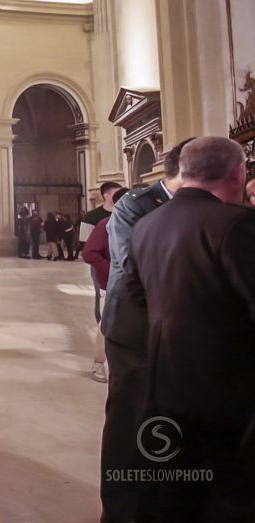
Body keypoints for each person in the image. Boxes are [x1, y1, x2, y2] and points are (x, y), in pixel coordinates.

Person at [121, 137, 255, 521]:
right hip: (227, 392)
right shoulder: (236, 225)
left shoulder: (146, 225)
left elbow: (136, 292)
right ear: (237, 172)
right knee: (224, 496)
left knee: (173, 491)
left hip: (164, 381)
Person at [100, 138, 190, 523]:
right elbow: (131, 267)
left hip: (181, 335)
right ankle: (120, 511)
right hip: (135, 330)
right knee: (130, 419)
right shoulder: (135, 205)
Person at [80, 188, 129, 384]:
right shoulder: (106, 223)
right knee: (106, 322)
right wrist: (112, 271)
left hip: (134, 283)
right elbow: (89, 253)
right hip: (111, 282)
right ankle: (99, 362)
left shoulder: (141, 221)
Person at [79, 181, 124, 336]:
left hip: (123, 266)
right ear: (106, 196)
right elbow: (86, 246)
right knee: (102, 295)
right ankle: (102, 327)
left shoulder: (128, 213)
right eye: (117, 192)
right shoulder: (92, 217)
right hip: (102, 264)